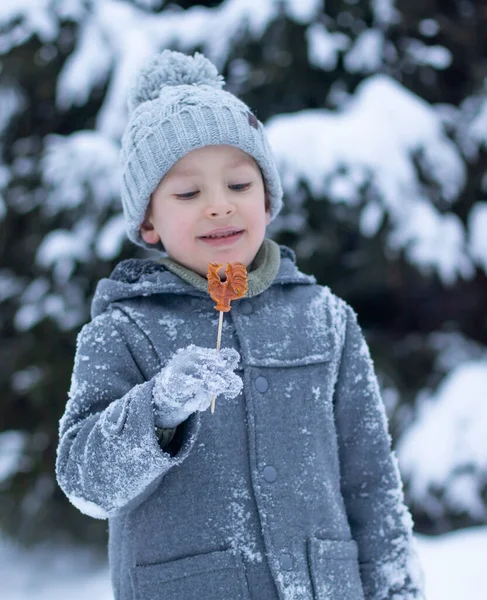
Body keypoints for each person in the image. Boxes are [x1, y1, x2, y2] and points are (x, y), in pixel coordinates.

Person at [56, 50, 425, 600]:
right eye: (187, 193)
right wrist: (156, 408)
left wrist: (397, 590)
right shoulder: (123, 331)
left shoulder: (326, 320)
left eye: (239, 185)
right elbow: (87, 483)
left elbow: (371, 485)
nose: (218, 206)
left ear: (268, 199)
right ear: (148, 221)